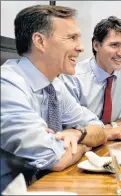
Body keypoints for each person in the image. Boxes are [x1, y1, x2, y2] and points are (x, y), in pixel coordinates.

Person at [0, 5, 109, 191]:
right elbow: (54, 158)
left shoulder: (54, 85)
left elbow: (99, 129)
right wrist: (85, 146)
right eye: (71, 38)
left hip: (50, 186)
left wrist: (78, 134)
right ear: (40, 41)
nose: (81, 47)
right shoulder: (7, 84)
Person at [59, 16, 121, 133]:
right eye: (114, 45)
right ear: (96, 45)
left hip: (111, 142)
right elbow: (69, 123)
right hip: (81, 143)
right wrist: (104, 131)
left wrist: (112, 127)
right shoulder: (73, 77)